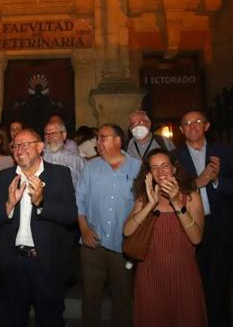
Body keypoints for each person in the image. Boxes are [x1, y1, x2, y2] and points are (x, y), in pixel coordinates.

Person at [0, 129, 78, 326]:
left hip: (46, 264)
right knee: (11, 320)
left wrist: (42, 204)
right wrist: (9, 205)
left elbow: (70, 216)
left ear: (40, 147)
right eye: (15, 146)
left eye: (25, 144)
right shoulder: (3, 177)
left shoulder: (60, 174)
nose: (19, 150)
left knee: (50, 320)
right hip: (12, 264)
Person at [176, 110, 233, 327]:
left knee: (219, 291)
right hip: (187, 231)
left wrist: (217, 181)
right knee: (189, 290)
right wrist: (196, 183)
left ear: (207, 126)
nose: (193, 126)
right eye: (187, 123)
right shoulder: (175, 158)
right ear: (181, 130)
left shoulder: (225, 153)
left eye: (197, 121)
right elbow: (169, 194)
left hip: (219, 231)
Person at [123, 148, 207, 327]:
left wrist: (177, 202)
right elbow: (127, 231)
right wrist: (150, 205)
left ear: (174, 169)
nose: (160, 172)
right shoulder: (144, 199)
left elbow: (196, 238)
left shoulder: (191, 197)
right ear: (149, 174)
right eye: (154, 168)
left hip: (183, 275)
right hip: (149, 275)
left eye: (164, 166)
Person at [75, 124, 141, 327]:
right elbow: (79, 201)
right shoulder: (91, 167)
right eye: (97, 138)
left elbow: (145, 202)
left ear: (118, 140)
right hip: (92, 243)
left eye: (102, 137)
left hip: (124, 245)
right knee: (91, 297)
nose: (98, 142)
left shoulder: (138, 167)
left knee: (123, 298)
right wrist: (84, 228)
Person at [43, 121, 85, 188]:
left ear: (64, 135)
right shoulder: (39, 158)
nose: (49, 137)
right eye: (46, 134)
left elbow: (85, 184)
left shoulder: (76, 160)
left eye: (53, 133)